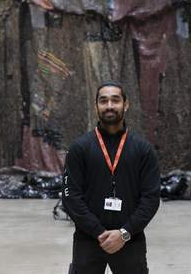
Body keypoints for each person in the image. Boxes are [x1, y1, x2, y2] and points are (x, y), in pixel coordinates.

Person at [62, 81, 160, 274]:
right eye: (103, 100)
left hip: (130, 240)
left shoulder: (143, 150)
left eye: (115, 100)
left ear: (126, 104)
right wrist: (98, 232)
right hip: (88, 241)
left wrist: (124, 234)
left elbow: (151, 198)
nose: (109, 106)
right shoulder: (79, 148)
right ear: (96, 106)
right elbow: (70, 197)